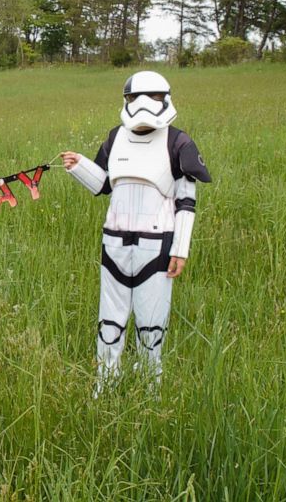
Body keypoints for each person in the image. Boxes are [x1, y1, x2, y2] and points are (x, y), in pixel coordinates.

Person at [60, 71, 210, 390]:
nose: (142, 104)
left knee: (151, 323)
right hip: (114, 243)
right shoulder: (116, 138)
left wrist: (179, 250)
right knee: (110, 320)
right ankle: (106, 383)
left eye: (153, 97)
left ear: (165, 98)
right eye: (133, 98)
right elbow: (104, 184)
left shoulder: (177, 142)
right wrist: (79, 166)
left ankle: (148, 389)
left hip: (157, 246)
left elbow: (186, 201)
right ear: (125, 100)